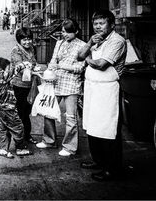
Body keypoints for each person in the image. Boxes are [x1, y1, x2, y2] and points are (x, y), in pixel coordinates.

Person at [77, 10, 127, 181]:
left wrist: (88, 60)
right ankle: (98, 161)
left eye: (102, 23)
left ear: (111, 24)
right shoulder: (95, 40)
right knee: (92, 126)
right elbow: (79, 55)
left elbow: (101, 64)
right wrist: (90, 42)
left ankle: (112, 168)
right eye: (95, 23)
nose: (98, 27)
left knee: (108, 129)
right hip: (92, 88)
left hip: (107, 90)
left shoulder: (117, 41)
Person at [35, 19, 86, 157]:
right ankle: (49, 140)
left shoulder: (82, 46)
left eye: (68, 32)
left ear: (76, 31)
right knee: (48, 111)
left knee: (70, 117)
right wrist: (49, 71)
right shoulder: (59, 43)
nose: (65, 35)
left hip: (72, 85)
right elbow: (53, 60)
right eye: (63, 32)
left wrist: (61, 66)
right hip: (56, 82)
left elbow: (80, 68)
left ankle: (69, 147)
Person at [0, 57, 31, 158]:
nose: (10, 69)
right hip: (9, 109)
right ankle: (20, 148)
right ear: (1, 71)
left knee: (4, 128)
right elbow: (15, 72)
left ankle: (3, 149)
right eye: (8, 68)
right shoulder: (3, 79)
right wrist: (24, 64)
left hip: (2, 108)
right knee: (18, 127)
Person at [10, 27, 38, 144]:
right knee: (21, 113)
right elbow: (20, 67)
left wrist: (34, 68)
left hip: (30, 85)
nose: (27, 42)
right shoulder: (16, 50)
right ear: (19, 40)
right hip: (19, 85)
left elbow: (34, 63)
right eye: (24, 40)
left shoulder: (31, 48)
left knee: (27, 111)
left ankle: (26, 135)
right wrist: (33, 70)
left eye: (29, 39)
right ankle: (22, 138)